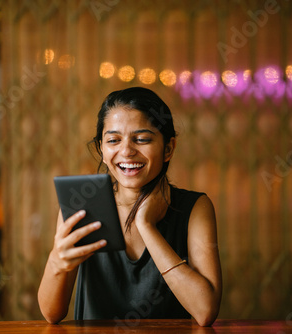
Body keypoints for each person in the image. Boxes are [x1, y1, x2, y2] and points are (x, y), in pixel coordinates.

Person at [38, 87, 222, 326]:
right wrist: (56, 261)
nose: (126, 151)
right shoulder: (82, 205)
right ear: (101, 150)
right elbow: (52, 314)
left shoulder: (195, 208)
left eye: (142, 139)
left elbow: (205, 311)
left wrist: (146, 225)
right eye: (113, 140)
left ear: (168, 148)